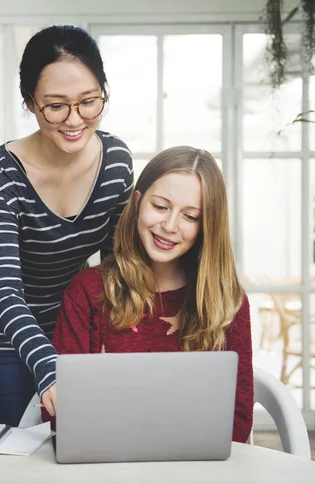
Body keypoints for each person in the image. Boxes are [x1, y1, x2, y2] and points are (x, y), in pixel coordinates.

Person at [0, 25, 134, 426]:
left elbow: (117, 265)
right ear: (29, 103)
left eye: (89, 102)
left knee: (75, 444)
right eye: (55, 106)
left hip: (70, 324)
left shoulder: (116, 164)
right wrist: (47, 365)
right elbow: (4, 288)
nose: (75, 120)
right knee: (16, 447)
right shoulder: (0, 177)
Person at [45, 146, 253, 443]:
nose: (169, 226)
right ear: (138, 203)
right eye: (160, 206)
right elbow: (57, 413)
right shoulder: (87, 293)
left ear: (207, 226)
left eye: (191, 216)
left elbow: (238, 421)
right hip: (106, 468)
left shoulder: (227, 301)